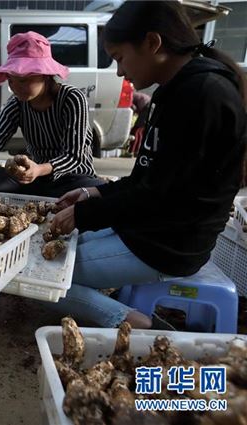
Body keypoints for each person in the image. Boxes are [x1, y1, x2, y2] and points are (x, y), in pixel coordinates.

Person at [47, 0, 246, 329]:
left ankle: (136, 324)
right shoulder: (175, 92)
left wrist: (85, 215)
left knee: (45, 273)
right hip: (148, 229)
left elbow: (160, 196)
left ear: (153, 43)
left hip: (168, 245)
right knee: (58, 246)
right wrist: (91, 195)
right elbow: (147, 179)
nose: (120, 72)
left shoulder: (203, 95)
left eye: (120, 58)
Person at [0, 31, 103, 199]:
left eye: (24, 80)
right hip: (35, 181)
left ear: (45, 75)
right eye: (11, 80)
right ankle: (2, 211)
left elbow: (74, 156)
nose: (16, 87)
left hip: (73, 180)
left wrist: (39, 169)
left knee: (100, 192)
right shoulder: (17, 103)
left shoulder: (72, 99)